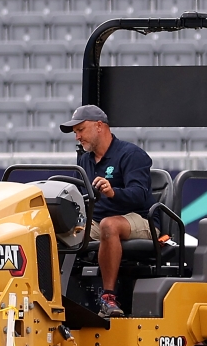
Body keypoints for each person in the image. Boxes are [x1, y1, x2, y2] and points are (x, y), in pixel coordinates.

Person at [61, 105, 155, 318]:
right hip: (98, 220)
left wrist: (113, 193)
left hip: (141, 219)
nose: (77, 136)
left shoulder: (132, 155)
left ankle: (109, 298)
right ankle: (52, 293)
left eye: (81, 130)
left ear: (99, 126)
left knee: (109, 225)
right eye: (75, 132)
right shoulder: (85, 159)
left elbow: (140, 194)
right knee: (57, 229)